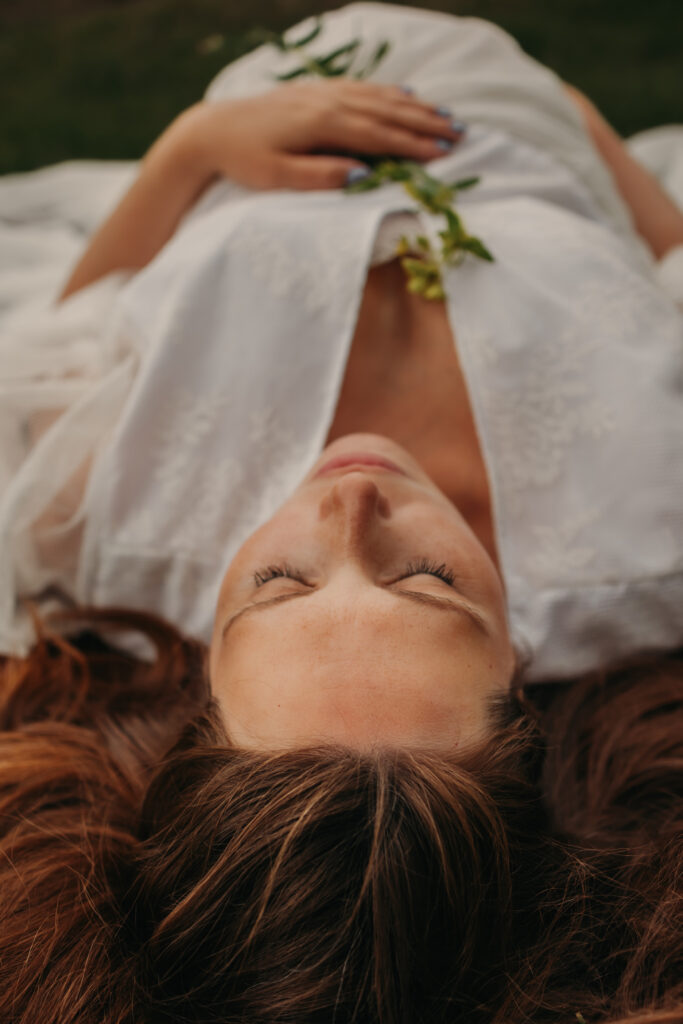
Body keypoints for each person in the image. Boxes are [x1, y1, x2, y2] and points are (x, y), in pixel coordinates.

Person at [0, 3, 682, 1021]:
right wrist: (574, 127)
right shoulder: (653, 523)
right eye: (426, 581)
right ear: (518, 672)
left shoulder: (94, 515)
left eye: (278, 583)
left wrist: (192, 149)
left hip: (264, 99)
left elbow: (78, 317)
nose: (350, 502)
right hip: (518, 104)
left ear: (199, 677)